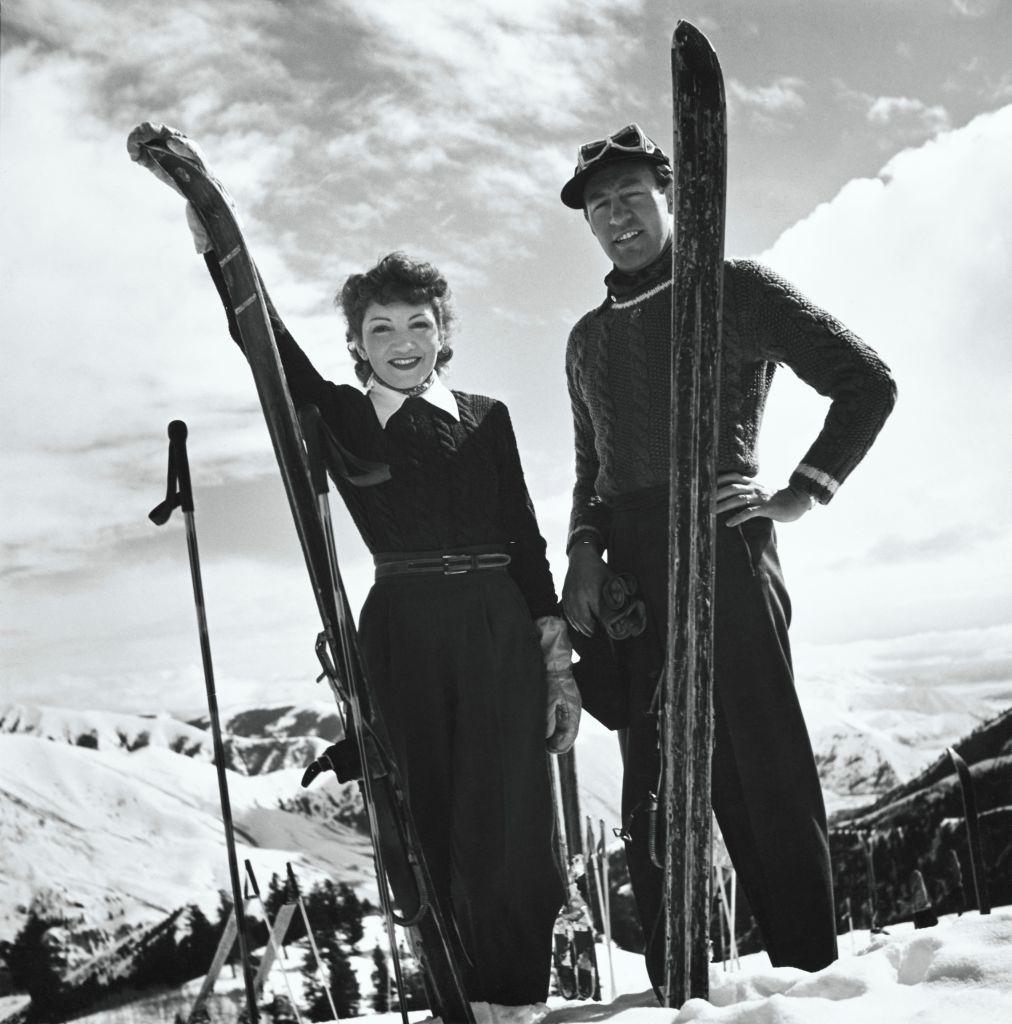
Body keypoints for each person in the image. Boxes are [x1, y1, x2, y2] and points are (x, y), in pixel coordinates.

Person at [128, 123, 577, 1019]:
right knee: (425, 808)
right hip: (401, 626)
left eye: (420, 324)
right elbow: (263, 340)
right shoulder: (337, 416)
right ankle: (457, 998)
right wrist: (213, 225)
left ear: (444, 335)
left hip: (497, 615)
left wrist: (554, 653)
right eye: (382, 329)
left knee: (513, 811)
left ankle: (519, 999)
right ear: (358, 346)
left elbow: (526, 538)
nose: (404, 340)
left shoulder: (487, 417)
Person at [558, 123, 897, 989]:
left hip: (725, 543)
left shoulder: (736, 289)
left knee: (764, 766)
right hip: (629, 573)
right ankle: (679, 988)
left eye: (633, 196)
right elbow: (589, 470)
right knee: (654, 783)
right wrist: (584, 553)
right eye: (601, 207)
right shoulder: (586, 339)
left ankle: (813, 978)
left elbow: (867, 381)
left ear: (670, 196)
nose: (618, 217)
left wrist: (801, 490)